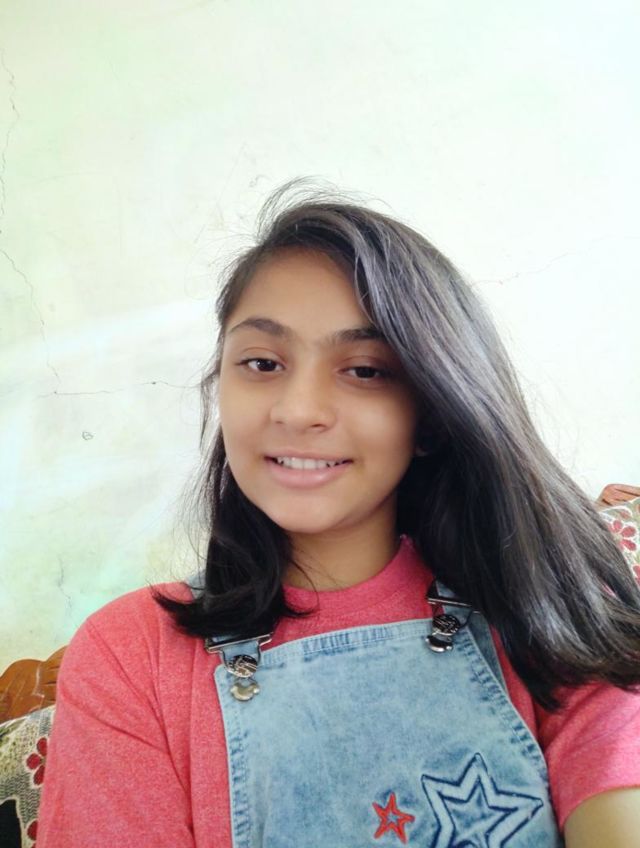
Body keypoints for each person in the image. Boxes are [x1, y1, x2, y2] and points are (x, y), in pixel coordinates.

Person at [38, 179, 640, 847]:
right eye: (262, 362)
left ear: (432, 411)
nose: (298, 410)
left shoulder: (550, 611)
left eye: (365, 370)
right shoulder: (129, 657)